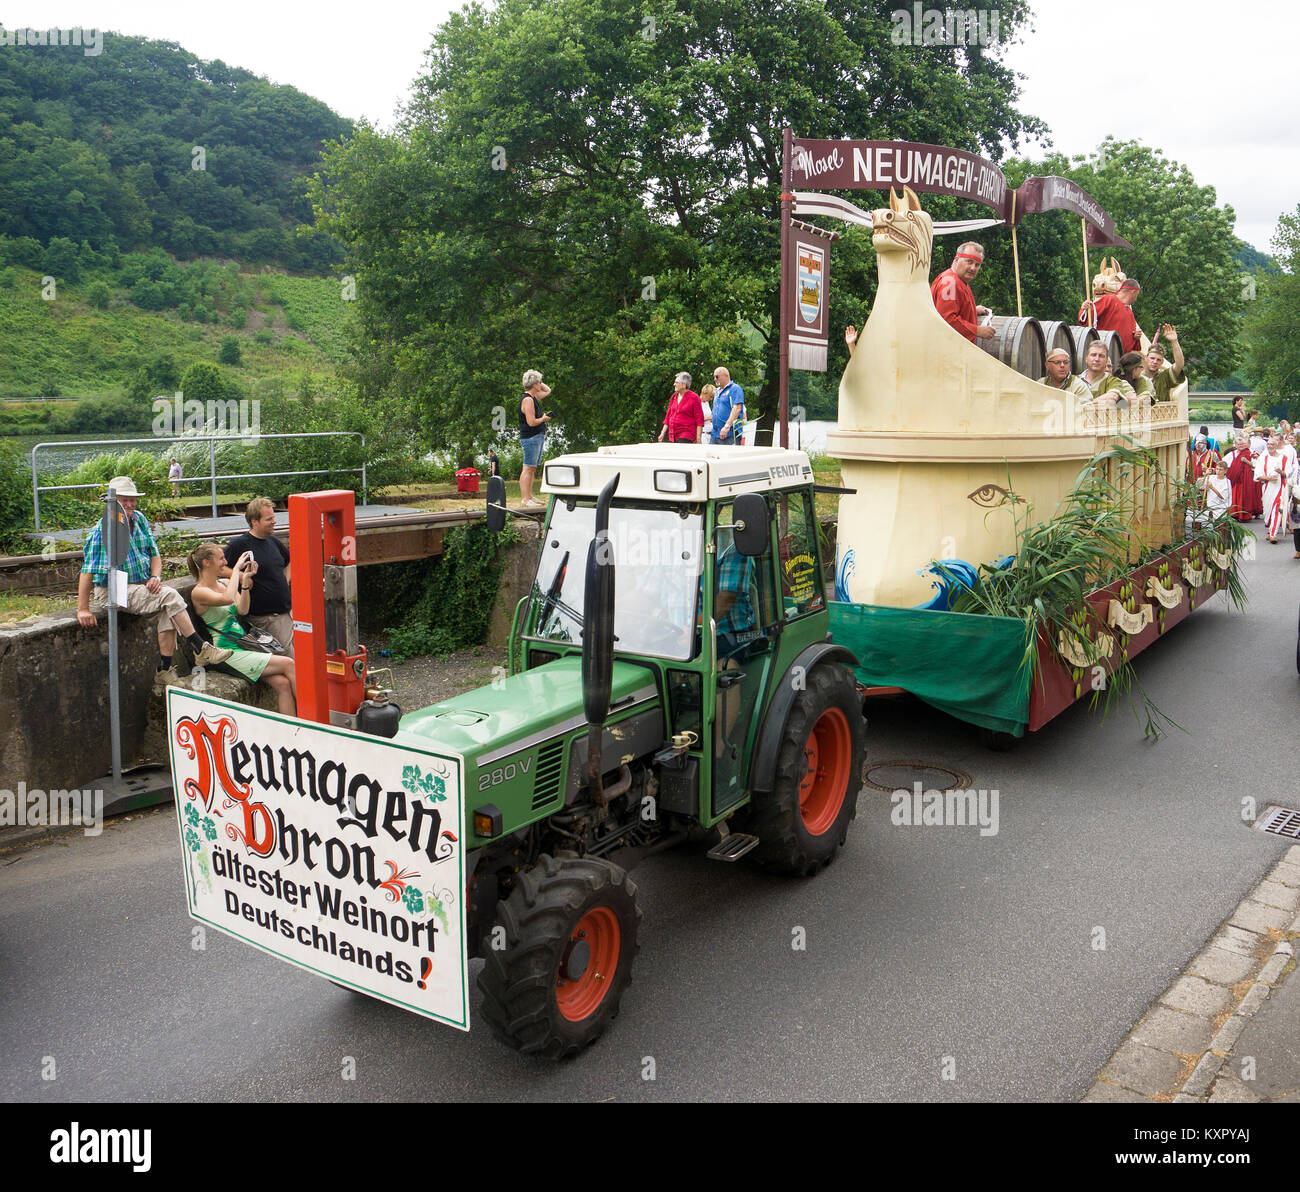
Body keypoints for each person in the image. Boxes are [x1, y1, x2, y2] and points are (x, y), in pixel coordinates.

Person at [76, 475, 231, 687]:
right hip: (112, 589)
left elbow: (154, 554)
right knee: (169, 595)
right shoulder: (102, 531)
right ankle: (200, 647)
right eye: (124, 500)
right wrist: (82, 609)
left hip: (139, 585)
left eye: (132, 500)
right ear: (112, 503)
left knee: (168, 607)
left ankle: (164, 670)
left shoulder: (139, 519)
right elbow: (87, 570)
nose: (129, 504)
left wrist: (155, 577)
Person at [189, 544, 297, 715]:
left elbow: (242, 609)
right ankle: (312, 717)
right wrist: (236, 570)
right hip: (226, 651)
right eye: (221, 558)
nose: (225, 562)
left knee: (282, 684)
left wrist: (244, 582)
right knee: (289, 664)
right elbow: (226, 599)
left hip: (243, 644)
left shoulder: (224, 583)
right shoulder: (199, 592)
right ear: (206, 563)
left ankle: (293, 730)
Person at [224, 497, 293, 657]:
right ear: (254, 521)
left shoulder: (273, 541)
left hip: (286, 612)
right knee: (291, 660)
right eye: (269, 519)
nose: (274, 522)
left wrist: (285, 580)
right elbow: (221, 569)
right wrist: (240, 576)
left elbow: (289, 561)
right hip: (267, 617)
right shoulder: (239, 545)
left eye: (274, 517)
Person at [930, 242, 996, 343]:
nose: (973, 268)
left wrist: (973, 310)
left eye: (977, 264)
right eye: (969, 261)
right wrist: (977, 330)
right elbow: (947, 320)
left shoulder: (959, 280)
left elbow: (954, 309)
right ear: (956, 260)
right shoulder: (950, 283)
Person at [518, 369, 552, 506]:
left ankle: (530, 496)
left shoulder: (534, 397)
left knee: (532, 468)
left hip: (537, 436)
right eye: (539, 382)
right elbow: (531, 422)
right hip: (530, 437)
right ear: (534, 384)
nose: (541, 384)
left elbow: (548, 390)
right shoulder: (527, 400)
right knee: (527, 468)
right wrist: (543, 419)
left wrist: (539, 382)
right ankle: (525, 499)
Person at [1086, 277, 1143, 353]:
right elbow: (1087, 318)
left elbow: (1133, 344)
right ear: (1133, 292)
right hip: (1105, 354)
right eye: (1137, 295)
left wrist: (1136, 337)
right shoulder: (1109, 300)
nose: (1136, 298)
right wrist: (1086, 308)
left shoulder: (1130, 313)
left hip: (1122, 359)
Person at [1255, 434, 1291, 543]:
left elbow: (1289, 473)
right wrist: (1269, 478)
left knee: (1277, 509)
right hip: (1267, 488)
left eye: (1272, 444)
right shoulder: (1263, 458)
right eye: (1268, 444)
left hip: (1280, 488)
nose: (1269, 446)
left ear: (1276, 445)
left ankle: (1273, 534)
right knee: (1268, 512)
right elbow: (1257, 475)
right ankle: (1272, 529)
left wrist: (1281, 472)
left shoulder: (1284, 458)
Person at [1080, 341, 1136, 408]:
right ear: (1086, 358)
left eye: (1101, 356)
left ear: (1106, 360)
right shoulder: (1074, 380)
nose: (1097, 359)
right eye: (1093, 355)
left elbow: (1113, 399)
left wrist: (1082, 407)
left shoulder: (1115, 381)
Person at [658, 372, 704, 444]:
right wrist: (662, 433)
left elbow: (699, 420)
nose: (674, 384)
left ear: (684, 384)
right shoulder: (674, 396)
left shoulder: (694, 398)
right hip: (673, 434)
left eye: (676, 382)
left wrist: (698, 438)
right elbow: (668, 416)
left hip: (687, 433)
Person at [711, 366, 745, 445]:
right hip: (715, 433)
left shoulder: (735, 389)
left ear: (726, 376)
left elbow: (736, 408)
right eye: (714, 377)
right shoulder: (717, 391)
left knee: (729, 456)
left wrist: (727, 426)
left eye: (717, 376)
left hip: (729, 433)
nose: (715, 379)